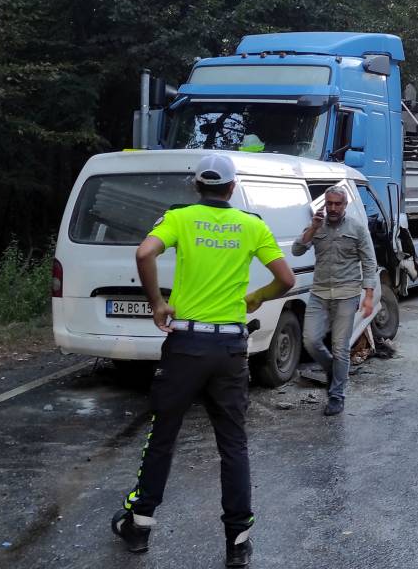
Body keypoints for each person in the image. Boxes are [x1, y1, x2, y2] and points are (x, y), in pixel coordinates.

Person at [113, 153, 295, 565]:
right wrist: (256, 298)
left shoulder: (179, 217)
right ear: (231, 188)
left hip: (185, 345)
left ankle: (139, 526)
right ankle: (237, 542)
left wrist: (158, 303)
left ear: (196, 186)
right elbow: (286, 279)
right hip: (230, 348)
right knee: (233, 443)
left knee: (164, 435)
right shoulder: (252, 225)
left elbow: (144, 254)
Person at [292, 185, 377, 417]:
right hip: (319, 293)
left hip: (346, 294)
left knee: (340, 348)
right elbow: (297, 250)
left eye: (337, 204)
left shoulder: (357, 228)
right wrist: (312, 228)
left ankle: (336, 395)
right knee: (310, 340)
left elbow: (369, 262)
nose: (332, 208)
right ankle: (332, 368)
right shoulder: (316, 225)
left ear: (345, 205)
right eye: (329, 203)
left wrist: (368, 296)